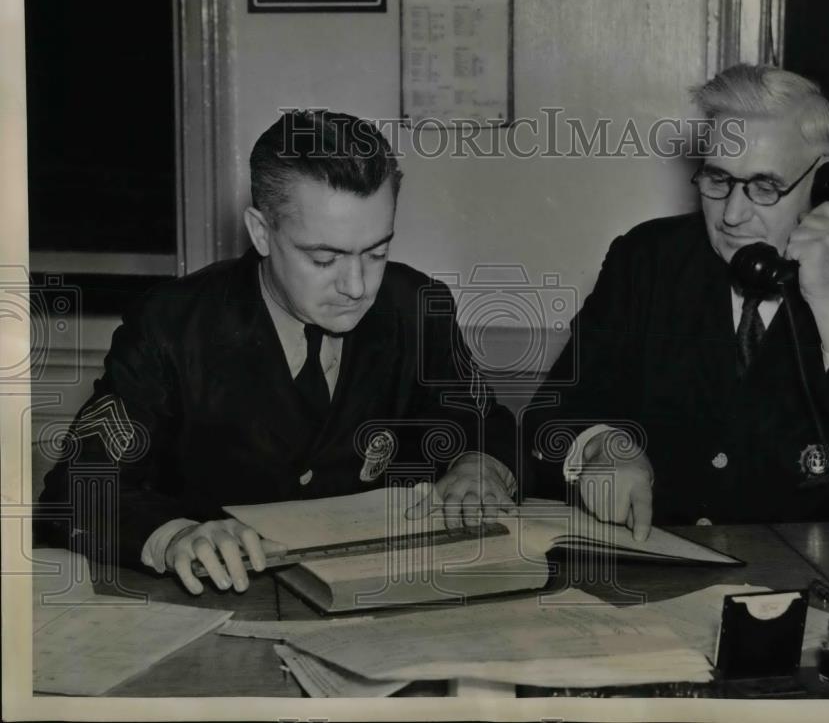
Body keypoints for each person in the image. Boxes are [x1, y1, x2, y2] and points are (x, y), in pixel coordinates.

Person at [38, 111, 517, 595]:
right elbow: (76, 489)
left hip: (381, 600)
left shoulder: (414, 307)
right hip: (220, 607)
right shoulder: (174, 325)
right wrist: (177, 535)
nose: (357, 287)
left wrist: (479, 463)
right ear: (261, 232)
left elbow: (483, 419)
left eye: (376, 253)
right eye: (323, 259)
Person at [523, 64, 829, 536]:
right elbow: (550, 417)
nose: (732, 215)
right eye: (718, 180)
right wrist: (601, 445)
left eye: (764, 187)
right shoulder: (647, 261)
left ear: (825, 185)